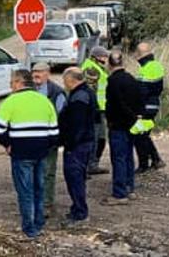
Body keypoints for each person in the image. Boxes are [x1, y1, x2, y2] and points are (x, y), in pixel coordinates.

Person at [0, 69, 58, 240]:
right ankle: (38, 221)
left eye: (11, 82)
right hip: (41, 152)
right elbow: (54, 132)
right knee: (39, 188)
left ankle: (29, 227)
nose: (10, 85)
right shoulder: (44, 101)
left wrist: (7, 144)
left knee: (25, 190)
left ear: (18, 82)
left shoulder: (11, 101)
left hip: (21, 152)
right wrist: (45, 146)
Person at [103, 51, 143, 205]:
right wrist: (136, 118)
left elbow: (117, 104)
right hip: (131, 125)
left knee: (118, 158)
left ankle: (119, 193)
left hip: (118, 124)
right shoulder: (130, 79)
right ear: (123, 63)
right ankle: (129, 187)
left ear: (109, 64)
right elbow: (139, 99)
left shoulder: (112, 81)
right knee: (128, 157)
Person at [58, 67, 97, 227]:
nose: (64, 83)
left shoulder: (79, 97)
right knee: (76, 179)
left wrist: (69, 143)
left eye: (65, 80)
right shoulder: (85, 93)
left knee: (75, 179)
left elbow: (77, 125)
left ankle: (80, 214)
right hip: (82, 143)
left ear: (71, 80)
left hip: (77, 146)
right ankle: (77, 209)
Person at [32, 62, 67, 219]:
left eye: (39, 72)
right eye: (34, 72)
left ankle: (47, 203)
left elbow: (61, 117)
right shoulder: (28, 91)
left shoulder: (56, 93)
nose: (36, 75)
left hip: (48, 140)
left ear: (48, 73)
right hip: (30, 138)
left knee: (47, 172)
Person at [134, 42, 167, 172]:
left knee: (139, 134)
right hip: (152, 105)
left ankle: (144, 164)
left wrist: (137, 108)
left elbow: (142, 91)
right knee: (144, 134)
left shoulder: (147, 68)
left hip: (146, 106)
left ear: (140, 54)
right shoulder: (155, 65)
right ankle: (155, 159)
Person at [81, 46, 110, 175]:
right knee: (95, 138)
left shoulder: (97, 68)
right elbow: (90, 91)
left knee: (100, 138)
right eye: (104, 56)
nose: (106, 59)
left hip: (100, 108)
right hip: (95, 109)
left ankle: (92, 164)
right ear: (96, 57)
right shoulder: (91, 69)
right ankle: (89, 165)